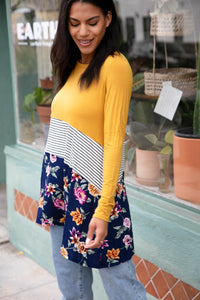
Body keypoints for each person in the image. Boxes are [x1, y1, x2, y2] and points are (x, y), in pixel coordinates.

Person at [36, 0, 147, 299]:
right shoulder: (70, 62)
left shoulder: (114, 65)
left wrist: (104, 208)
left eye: (92, 22)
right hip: (61, 187)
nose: (83, 32)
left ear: (109, 19)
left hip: (96, 187)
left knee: (121, 286)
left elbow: (114, 140)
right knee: (71, 287)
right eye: (74, 23)